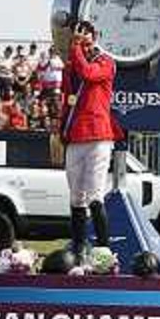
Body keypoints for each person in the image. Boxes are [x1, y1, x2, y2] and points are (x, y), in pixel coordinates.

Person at [61, 20, 124, 263]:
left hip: (98, 135)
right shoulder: (71, 66)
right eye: (78, 39)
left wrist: (75, 47)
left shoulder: (105, 62)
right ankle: (79, 248)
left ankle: (104, 250)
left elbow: (89, 73)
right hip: (75, 135)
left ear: (94, 38)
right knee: (76, 196)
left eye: (85, 39)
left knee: (95, 195)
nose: (82, 44)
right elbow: (67, 99)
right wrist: (60, 131)